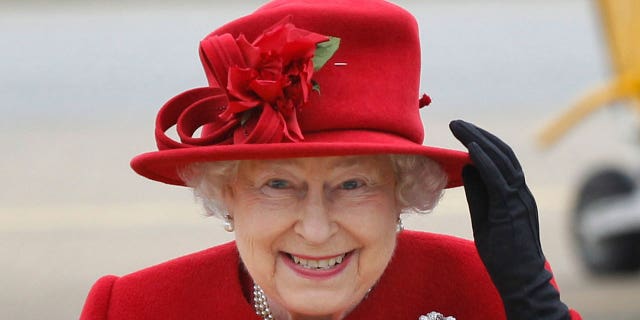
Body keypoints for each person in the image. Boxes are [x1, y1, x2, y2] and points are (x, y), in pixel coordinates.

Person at [80, 1, 582, 319]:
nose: (316, 230)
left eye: (353, 184)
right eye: (277, 184)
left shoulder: (485, 293)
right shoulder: (133, 310)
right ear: (227, 194)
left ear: (402, 197)